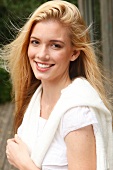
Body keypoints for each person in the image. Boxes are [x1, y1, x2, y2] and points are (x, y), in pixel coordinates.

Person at [2, 0, 112, 169]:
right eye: (35, 42)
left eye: (55, 45)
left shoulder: (76, 113)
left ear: (74, 53)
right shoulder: (36, 97)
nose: (42, 54)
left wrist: (25, 165)